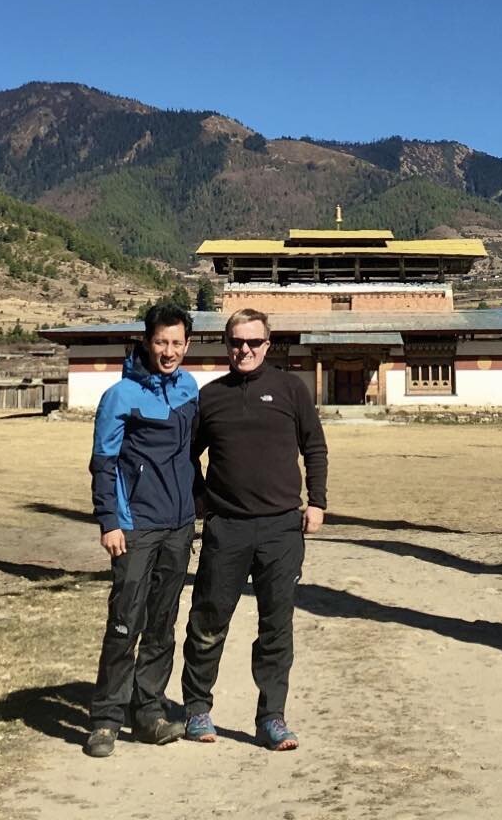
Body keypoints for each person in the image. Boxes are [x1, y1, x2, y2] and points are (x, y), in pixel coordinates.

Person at [181, 307, 327, 751]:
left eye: (253, 343)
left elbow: (314, 447)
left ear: (268, 344)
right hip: (228, 529)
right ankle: (196, 708)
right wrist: (205, 502)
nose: (244, 350)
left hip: (282, 529)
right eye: (236, 343)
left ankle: (272, 717)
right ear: (226, 345)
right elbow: (187, 457)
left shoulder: (290, 389)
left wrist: (317, 502)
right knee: (208, 619)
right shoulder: (210, 397)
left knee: (276, 625)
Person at [84, 302, 199, 758]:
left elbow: (191, 454)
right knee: (125, 621)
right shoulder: (120, 395)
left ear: (187, 344)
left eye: (176, 343)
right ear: (146, 342)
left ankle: (148, 709)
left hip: (178, 525)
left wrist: (200, 499)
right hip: (135, 527)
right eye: (160, 342)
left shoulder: (189, 387)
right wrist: (109, 521)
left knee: (163, 623)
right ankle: (106, 718)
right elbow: (103, 462)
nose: (168, 351)